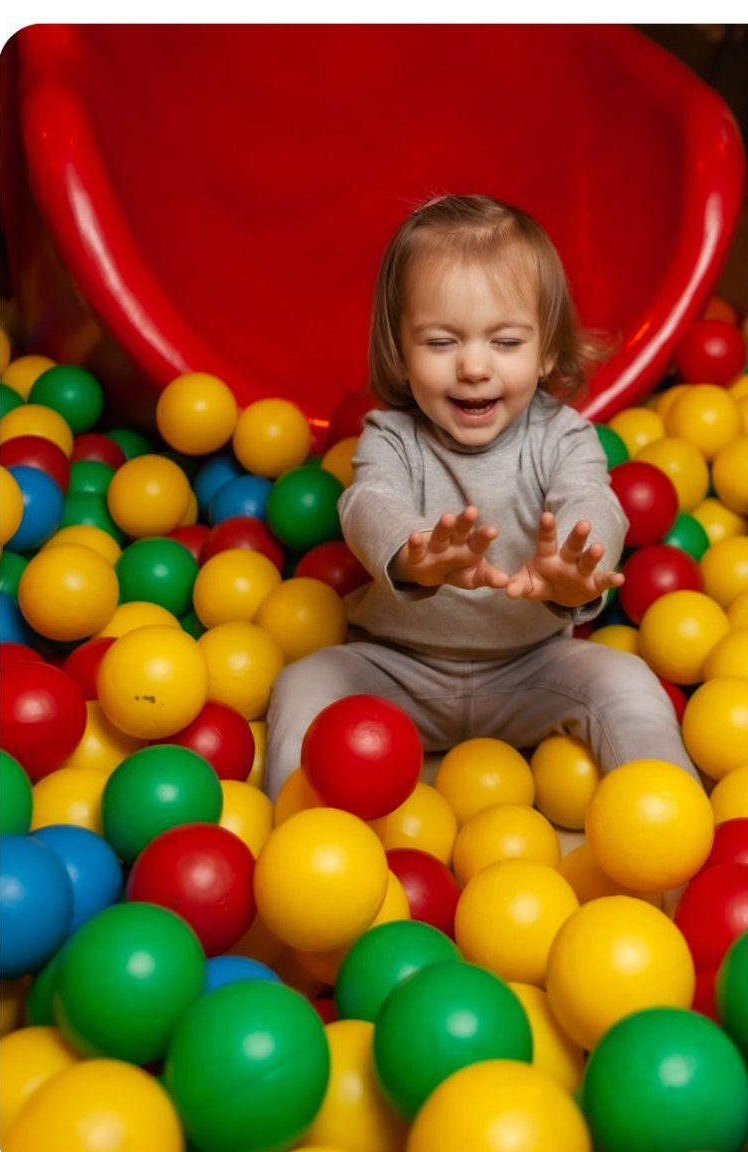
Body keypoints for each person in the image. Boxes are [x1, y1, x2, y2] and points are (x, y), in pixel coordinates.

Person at [264, 194, 698, 801]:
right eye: (441, 342)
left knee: (625, 678)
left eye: (505, 342)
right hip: (397, 669)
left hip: (533, 671)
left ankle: (668, 827)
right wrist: (413, 554)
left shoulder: (563, 436)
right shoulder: (391, 436)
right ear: (401, 348)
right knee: (303, 681)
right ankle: (300, 844)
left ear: (547, 349)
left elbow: (592, 500)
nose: (472, 366)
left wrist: (577, 567)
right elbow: (368, 502)